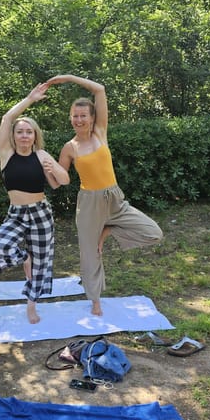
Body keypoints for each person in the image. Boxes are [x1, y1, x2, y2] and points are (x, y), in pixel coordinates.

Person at [46, 74, 163, 317]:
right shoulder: (69, 148)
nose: (78, 120)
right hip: (89, 204)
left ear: (91, 118)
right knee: (90, 256)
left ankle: (107, 231)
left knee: (153, 233)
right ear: (71, 118)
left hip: (115, 199)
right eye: (74, 116)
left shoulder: (100, 132)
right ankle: (95, 299)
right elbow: (59, 182)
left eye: (83, 116)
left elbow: (99, 89)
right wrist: (44, 165)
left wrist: (68, 78)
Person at [0, 83, 70, 324]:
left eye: (29, 132)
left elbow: (64, 180)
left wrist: (52, 167)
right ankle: (24, 257)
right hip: (16, 214)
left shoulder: (41, 155)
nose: (24, 135)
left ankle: (31, 305)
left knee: (42, 264)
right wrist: (30, 98)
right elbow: (6, 118)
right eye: (20, 131)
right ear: (14, 136)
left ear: (35, 136)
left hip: (41, 214)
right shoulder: (6, 154)